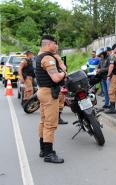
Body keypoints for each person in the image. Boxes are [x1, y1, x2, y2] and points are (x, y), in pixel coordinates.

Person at [35, 35, 66, 163]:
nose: (57, 46)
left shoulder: (40, 56)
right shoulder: (48, 58)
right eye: (55, 43)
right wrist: (64, 73)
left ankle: (43, 150)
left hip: (43, 91)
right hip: (49, 93)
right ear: (49, 44)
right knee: (50, 123)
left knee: (43, 121)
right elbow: (56, 78)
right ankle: (49, 154)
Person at [53, 44, 68, 125]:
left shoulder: (46, 56)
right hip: (58, 81)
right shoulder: (56, 57)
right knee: (60, 101)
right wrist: (65, 74)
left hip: (51, 83)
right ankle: (57, 119)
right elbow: (63, 68)